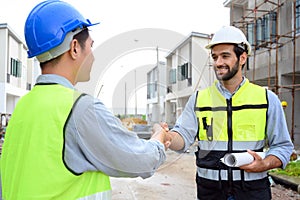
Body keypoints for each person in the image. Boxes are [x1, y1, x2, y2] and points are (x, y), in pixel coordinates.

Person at [0, 1, 170, 199]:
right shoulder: (80, 108)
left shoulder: (23, 106)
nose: (93, 55)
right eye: (91, 45)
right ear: (74, 48)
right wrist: (159, 138)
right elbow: (141, 159)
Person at [165, 26, 294, 200]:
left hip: (252, 192)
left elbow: (283, 147)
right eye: (215, 57)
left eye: (225, 56)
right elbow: (183, 137)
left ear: (242, 58)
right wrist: (168, 137)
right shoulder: (199, 99)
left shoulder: (266, 99)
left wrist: (265, 163)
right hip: (210, 192)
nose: (218, 63)